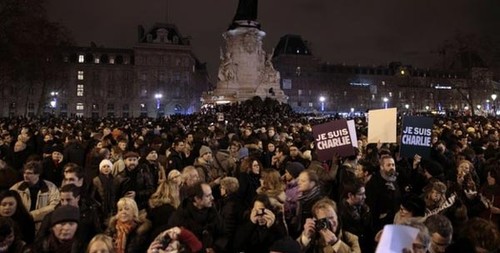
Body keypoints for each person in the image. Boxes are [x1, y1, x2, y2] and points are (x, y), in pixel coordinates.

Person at [168, 182, 223, 252]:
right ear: (197, 199)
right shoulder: (180, 216)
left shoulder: (213, 212)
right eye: (208, 196)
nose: (212, 198)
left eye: (211, 194)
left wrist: (215, 248)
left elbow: (223, 233)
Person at [10, 161, 60, 229]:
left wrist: (32, 215)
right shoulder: (17, 187)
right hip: (21, 225)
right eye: (24, 173)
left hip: (43, 225)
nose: (25, 175)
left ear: (38, 174)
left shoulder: (50, 187)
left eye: (29, 173)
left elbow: (55, 205)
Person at [365, 154, 402, 232]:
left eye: (393, 165)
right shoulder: (374, 182)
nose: (392, 167)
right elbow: (371, 203)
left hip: (395, 220)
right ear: (382, 167)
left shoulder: (394, 179)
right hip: (381, 224)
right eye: (388, 165)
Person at [338, 178, 373, 253]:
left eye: (364, 193)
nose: (365, 197)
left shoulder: (365, 208)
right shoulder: (341, 214)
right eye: (361, 194)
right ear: (350, 195)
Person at [217, 177, 243, 252]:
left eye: (222, 187)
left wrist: (219, 246)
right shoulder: (233, 201)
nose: (220, 189)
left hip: (228, 244)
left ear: (227, 189)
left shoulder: (230, 205)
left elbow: (228, 228)